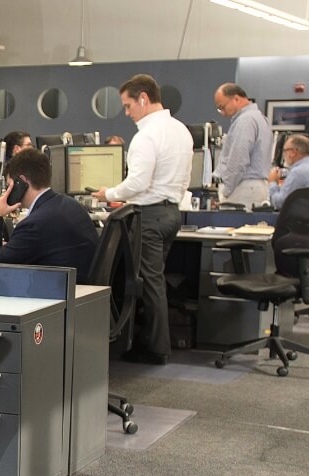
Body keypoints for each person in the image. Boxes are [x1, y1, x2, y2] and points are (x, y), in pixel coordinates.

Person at [90, 74, 192, 365]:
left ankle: (157, 348)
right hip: (172, 212)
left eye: (127, 105)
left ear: (143, 99)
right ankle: (143, 340)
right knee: (151, 279)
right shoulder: (180, 130)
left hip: (149, 215)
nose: (127, 112)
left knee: (148, 283)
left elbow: (136, 183)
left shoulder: (146, 135)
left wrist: (106, 193)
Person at [0, 148, 100, 282]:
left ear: (22, 182)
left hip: (60, 295)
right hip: (80, 291)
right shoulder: (68, 204)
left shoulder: (35, 224)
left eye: (9, 185)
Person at [212, 83, 272, 207]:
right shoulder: (260, 118)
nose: (222, 112)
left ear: (236, 99)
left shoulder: (245, 121)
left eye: (222, 107)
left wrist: (225, 191)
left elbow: (238, 161)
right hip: (256, 187)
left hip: (243, 188)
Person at [268, 134, 309, 209]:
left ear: (293, 152)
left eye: (285, 150)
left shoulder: (297, 172)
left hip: (299, 218)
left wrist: (272, 182)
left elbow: (280, 203)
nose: (283, 154)